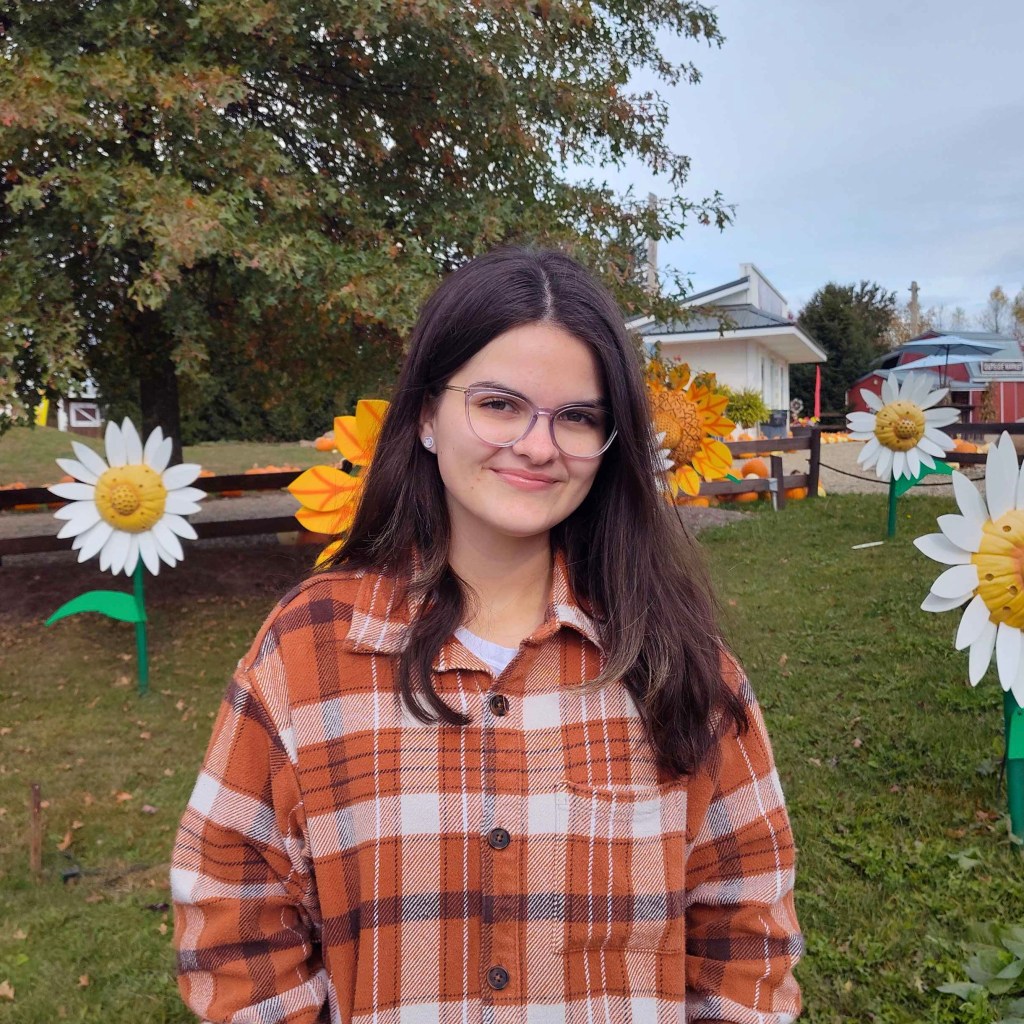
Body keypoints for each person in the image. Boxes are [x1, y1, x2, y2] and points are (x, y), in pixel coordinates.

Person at [171, 247, 802, 1023]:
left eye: (578, 416)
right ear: (428, 416)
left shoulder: (676, 662)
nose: (539, 445)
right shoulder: (310, 651)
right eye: (499, 404)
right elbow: (233, 923)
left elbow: (746, 938)